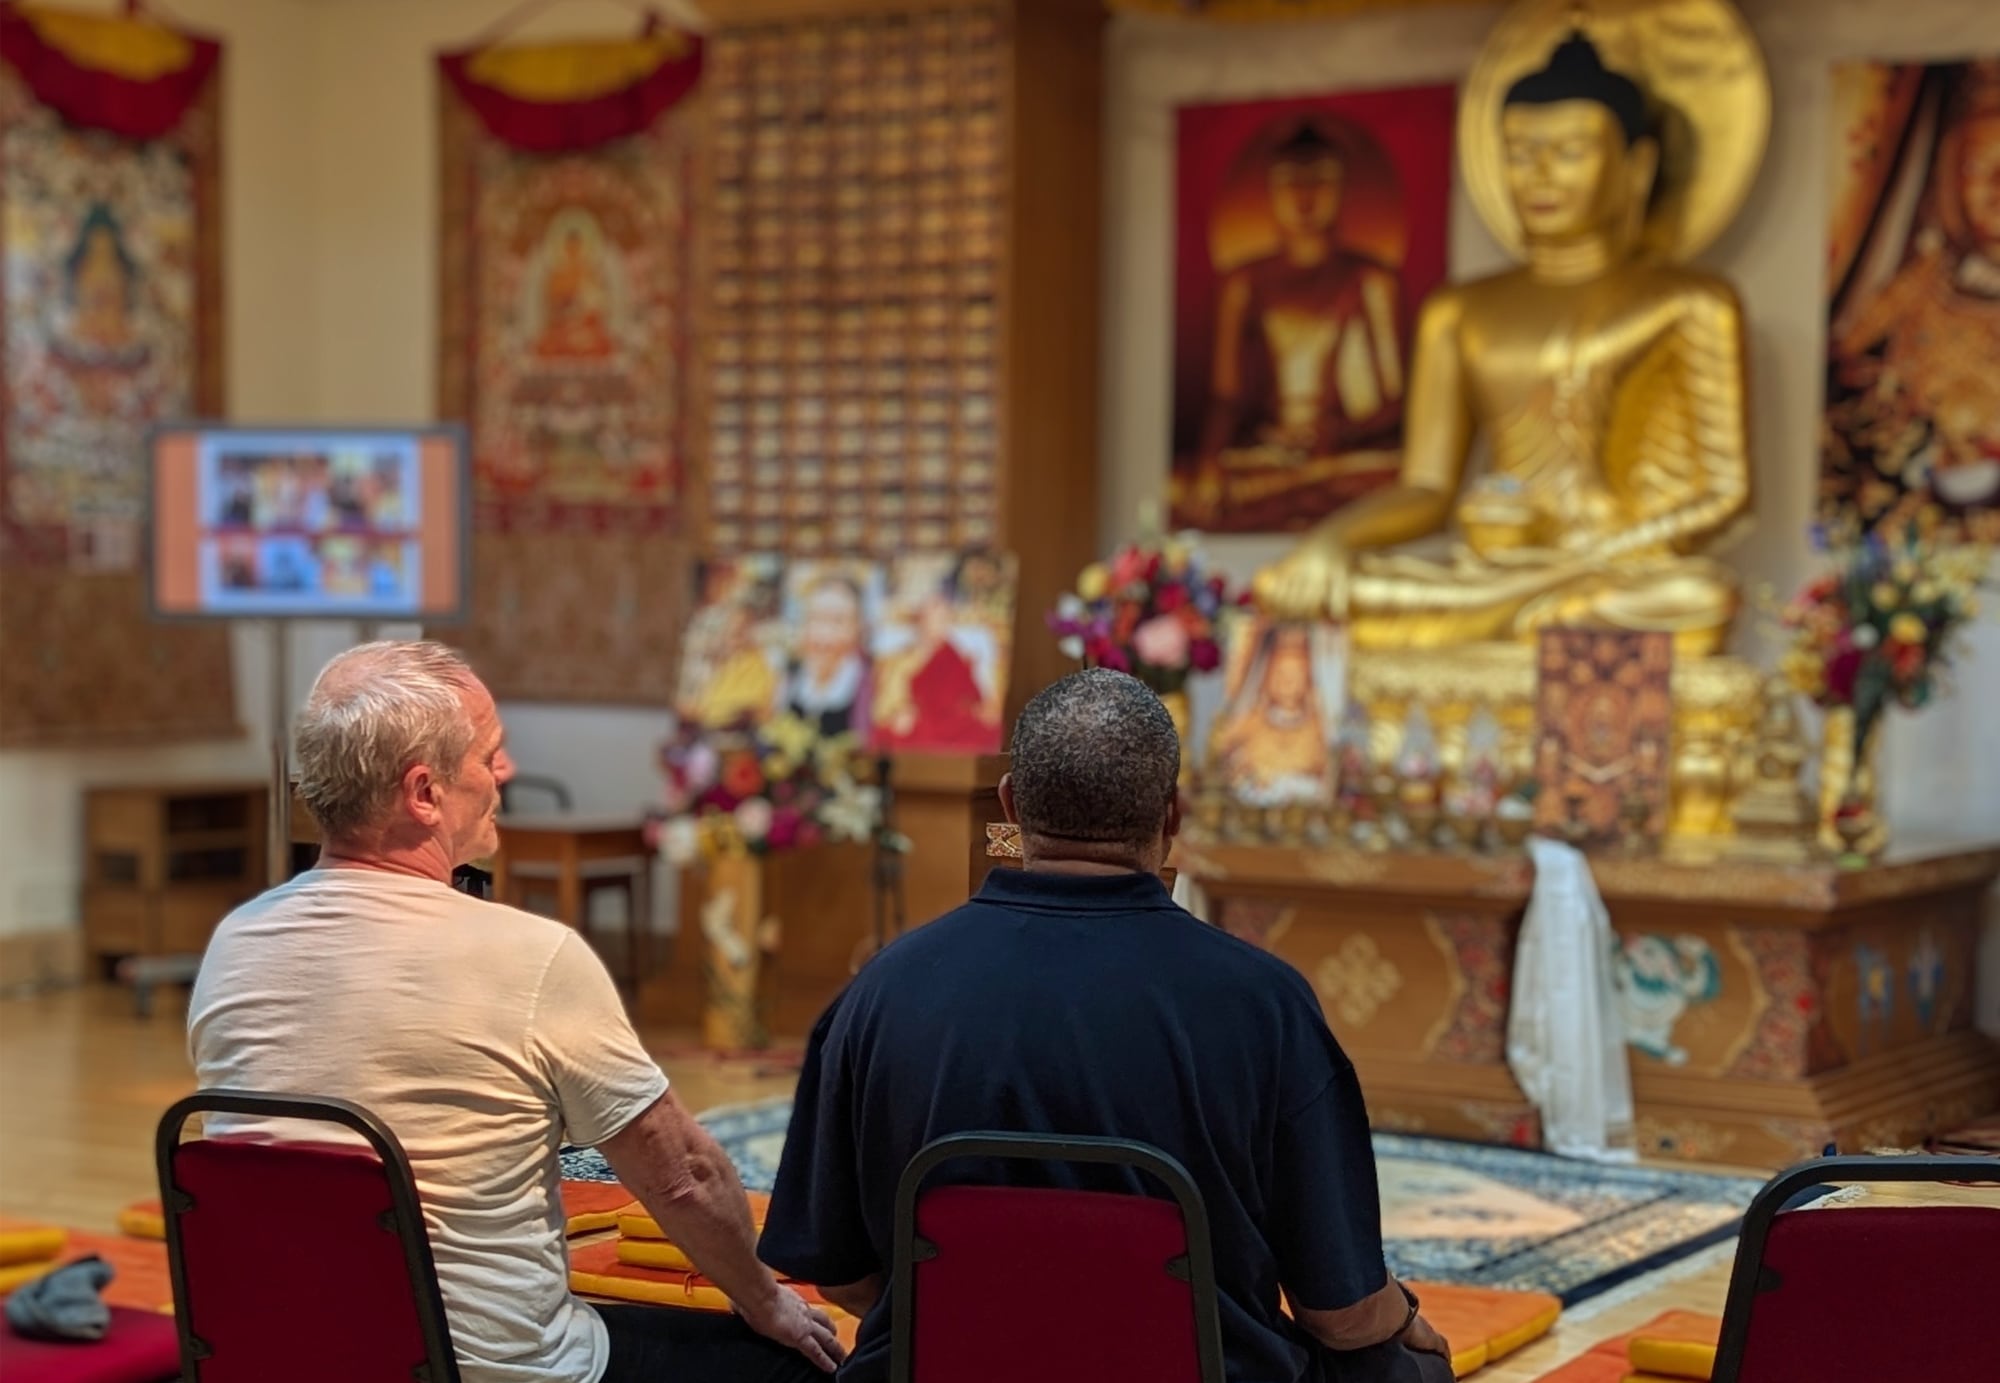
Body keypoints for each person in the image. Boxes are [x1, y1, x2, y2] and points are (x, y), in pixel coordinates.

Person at [760, 668, 1452, 1383]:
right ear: (1174, 814)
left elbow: (839, 1273)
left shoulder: (881, 989)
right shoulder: (1266, 1003)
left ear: (1010, 804)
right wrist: (1404, 1316)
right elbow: (1339, 1312)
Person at [188, 642, 841, 1383]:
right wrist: (765, 1301)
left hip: (288, 1356)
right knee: (801, 1362)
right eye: (490, 755)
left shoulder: (234, 945)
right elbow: (684, 1175)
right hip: (493, 1371)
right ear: (424, 792)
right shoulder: (530, 956)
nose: (508, 773)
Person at [786, 575, 871, 738]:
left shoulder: (867, 686)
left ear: (857, 628)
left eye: (837, 622)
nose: (824, 635)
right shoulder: (792, 678)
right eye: (815, 619)